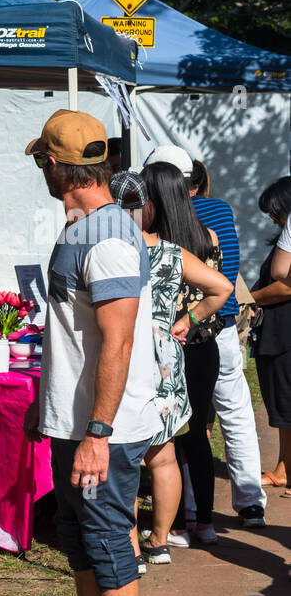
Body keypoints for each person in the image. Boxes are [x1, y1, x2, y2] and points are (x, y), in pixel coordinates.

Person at [21, 110, 160, 596]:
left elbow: (119, 341)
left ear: (56, 164)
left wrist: (98, 433)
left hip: (105, 429)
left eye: (40, 162)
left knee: (107, 542)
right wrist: (47, 406)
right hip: (74, 420)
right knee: (79, 538)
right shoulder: (88, 226)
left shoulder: (105, 237)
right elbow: (76, 337)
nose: (39, 172)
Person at [110, 170, 232, 566]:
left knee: (124, 456)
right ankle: (159, 542)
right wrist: (189, 320)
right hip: (165, 355)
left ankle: (130, 547)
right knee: (162, 454)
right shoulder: (172, 252)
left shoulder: (112, 251)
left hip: (126, 353)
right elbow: (223, 288)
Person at [174, 153, 265, 528]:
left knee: (189, 423)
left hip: (190, 328)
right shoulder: (221, 210)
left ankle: (193, 510)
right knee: (236, 413)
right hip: (223, 323)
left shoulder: (171, 217)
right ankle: (250, 503)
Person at [250, 177, 291, 495]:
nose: (273, 219)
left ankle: (286, 468)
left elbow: (284, 286)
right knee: (283, 406)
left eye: (274, 212)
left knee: (286, 404)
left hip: (283, 335)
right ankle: (285, 466)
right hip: (278, 333)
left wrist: (248, 299)